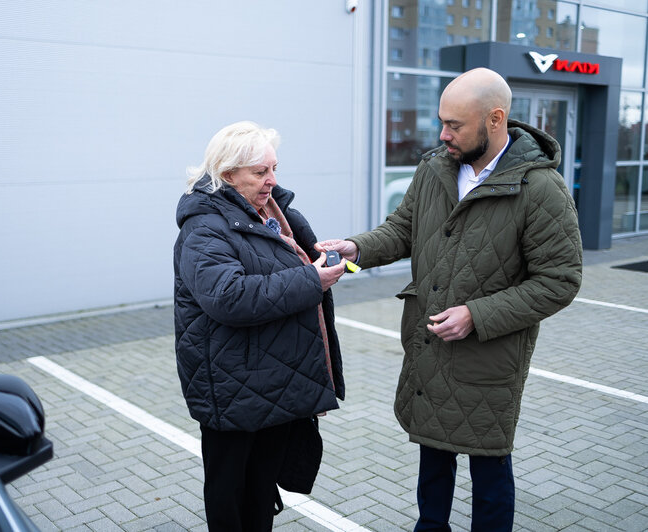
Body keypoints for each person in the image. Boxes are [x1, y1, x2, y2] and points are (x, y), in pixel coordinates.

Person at [317, 68, 582, 531]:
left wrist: (476, 316)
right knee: (432, 459)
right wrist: (357, 249)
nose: (443, 134)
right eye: (441, 122)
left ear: (495, 119)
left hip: (488, 359)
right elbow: (402, 229)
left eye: (454, 125)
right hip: (429, 348)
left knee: (489, 467)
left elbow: (559, 280)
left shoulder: (540, 190)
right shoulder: (436, 168)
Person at [173, 121, 346, 531]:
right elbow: (228, 297)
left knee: (262, 487)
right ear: (228, 174)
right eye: (260, 172)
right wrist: (311, 280)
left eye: (274, 169)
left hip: (273, 378)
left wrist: (319, 259)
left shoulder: (271, 213)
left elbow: (283, 267)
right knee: (230, 492)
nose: (271, 180)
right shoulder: (204, 227)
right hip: (231, 383)